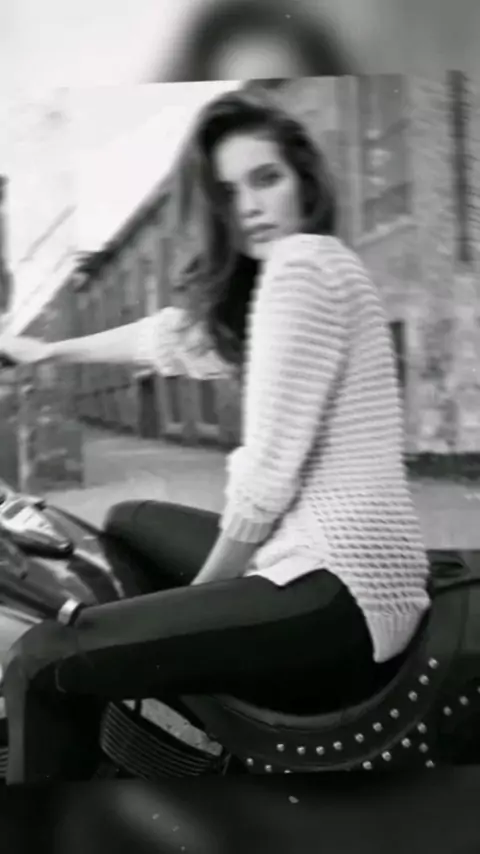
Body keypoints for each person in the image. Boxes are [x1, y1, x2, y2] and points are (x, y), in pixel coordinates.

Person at [0, 88, 431, 782]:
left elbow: (265, 480)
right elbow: (170, 338)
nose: (250, 206)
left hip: (340, 591)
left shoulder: (302, 266)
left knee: (43, 659)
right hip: (340, 568)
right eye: (229, 193)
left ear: (304, 182)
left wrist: (191, 605)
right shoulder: (291, 280)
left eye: (266, 178)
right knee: (127, 519)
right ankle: (155, 740)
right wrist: (47, 351)